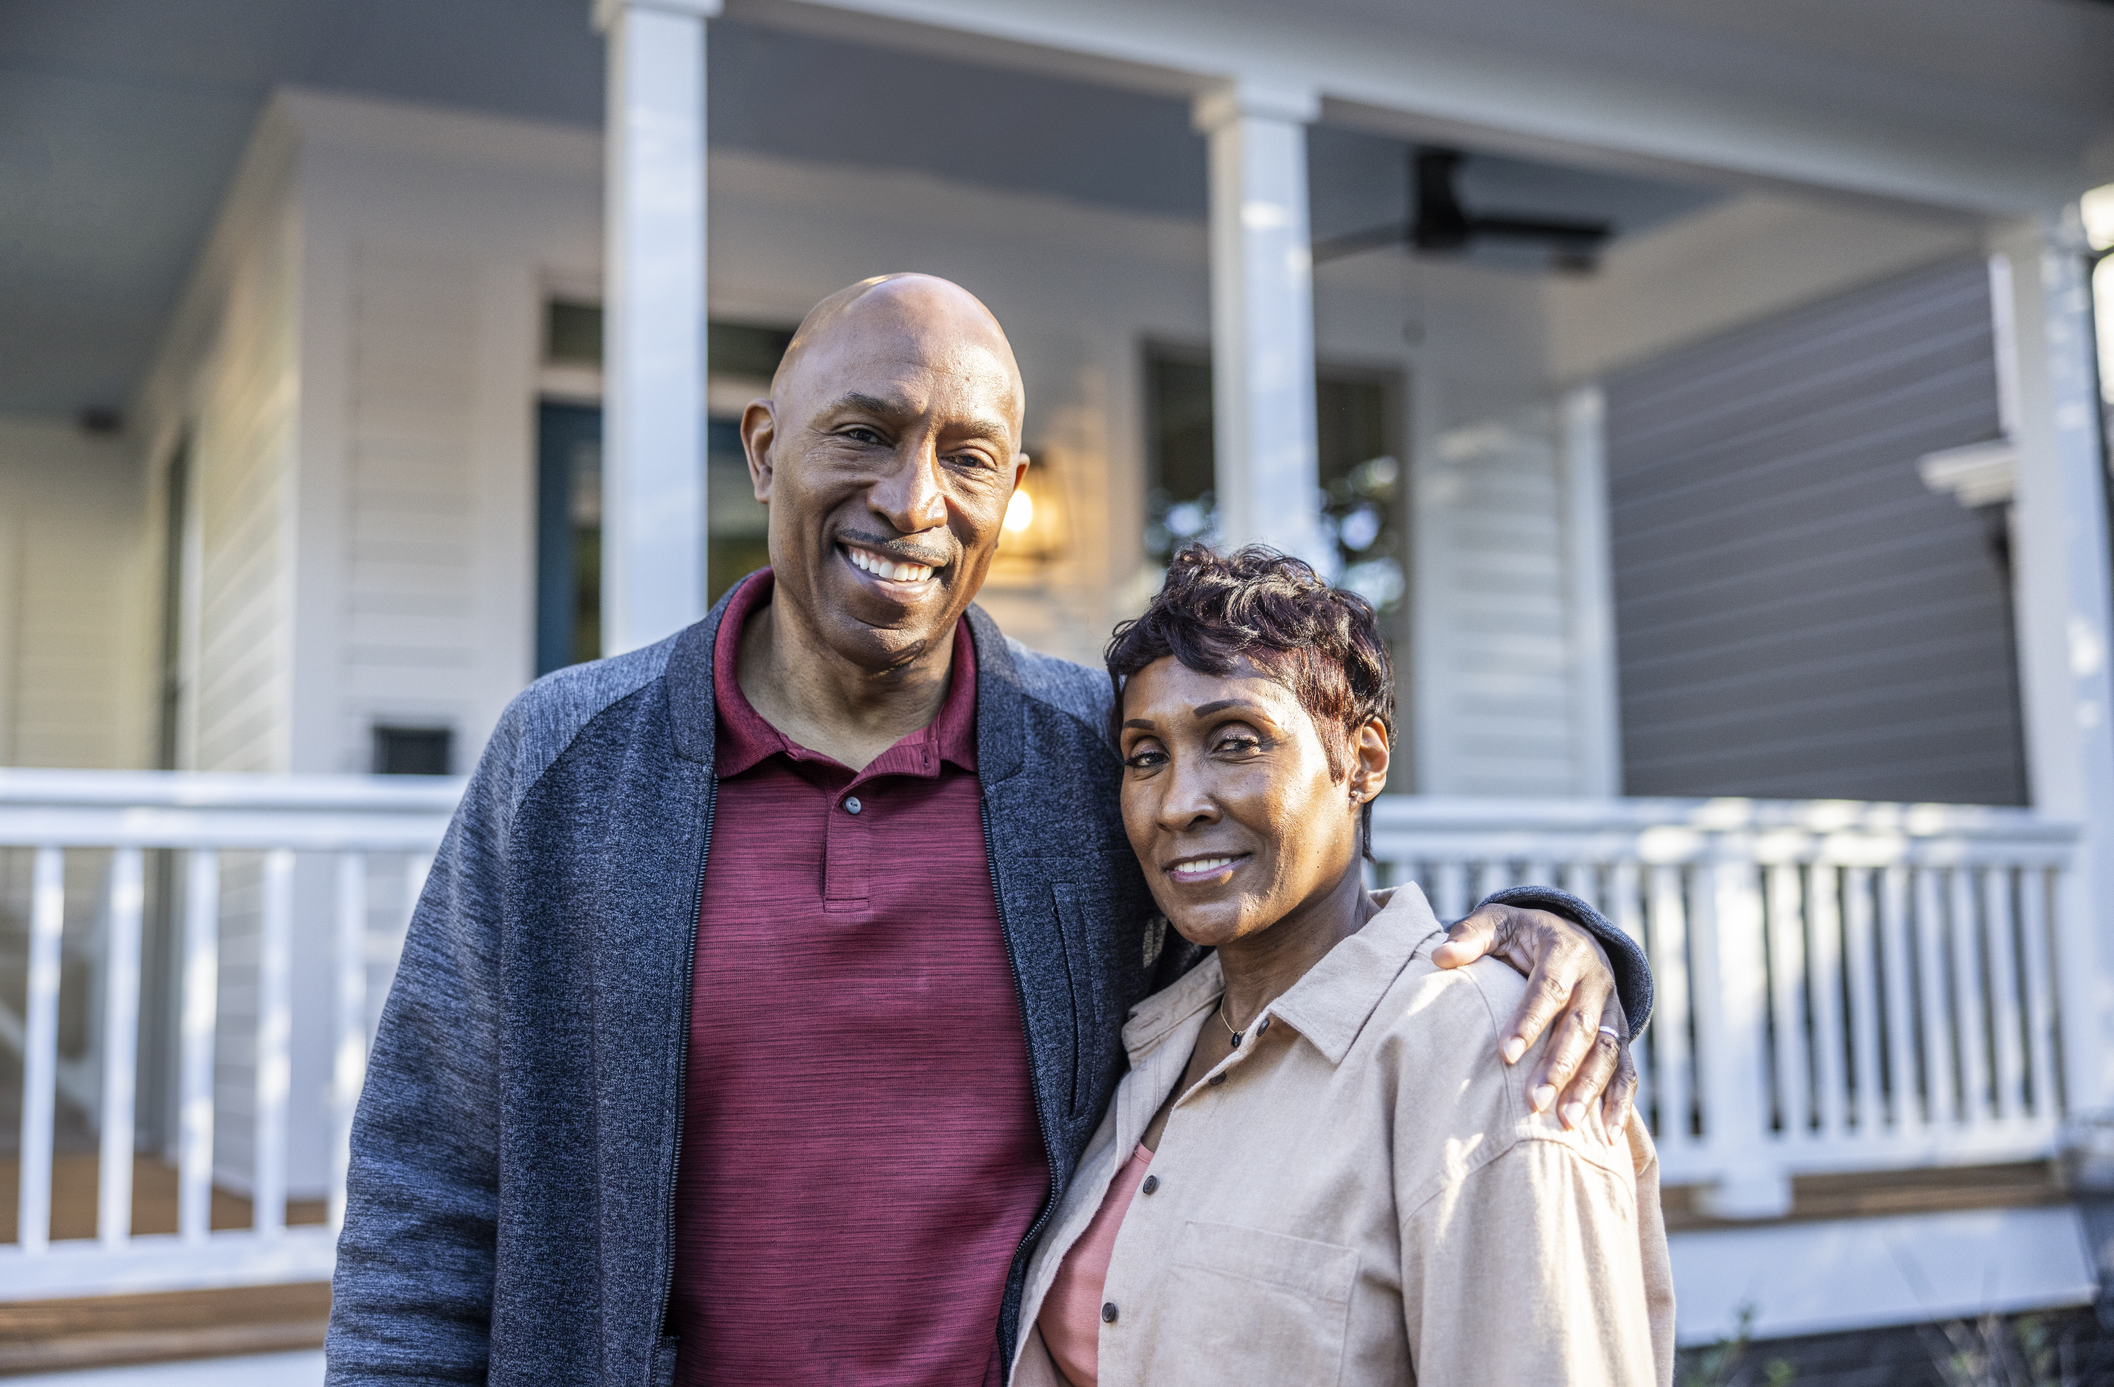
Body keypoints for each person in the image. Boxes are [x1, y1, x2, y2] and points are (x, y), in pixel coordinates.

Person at [325, 273, 1653, 1385]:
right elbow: (428, 1190)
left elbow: (1296, 907)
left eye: (966, 456)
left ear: (1009, 492)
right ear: (763, 444)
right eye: (865, 432)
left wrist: (1552, 935)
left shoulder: (1095, 758)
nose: (913, 501)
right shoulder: (566, 758)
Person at [1012, 543, 1674, 1387]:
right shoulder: (1153, 1035)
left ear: (1361, 761)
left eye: (1236, 741)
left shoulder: (1494, 1052)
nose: (1178, 803)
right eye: (1147, 756)